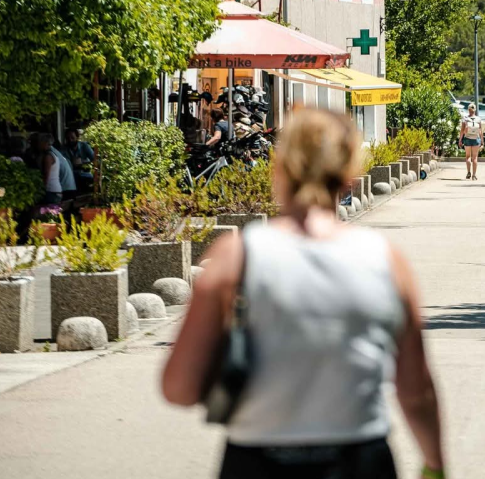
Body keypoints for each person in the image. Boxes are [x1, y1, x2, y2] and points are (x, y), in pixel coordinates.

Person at [161, 108, 445, 479]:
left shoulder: (235, 258)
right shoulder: (386, 260)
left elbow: (179, 388)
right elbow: (416, 389)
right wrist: (435, 465)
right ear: (350, 174)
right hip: (360, 459)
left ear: (280, 169)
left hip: (256, 460)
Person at [60, 127, 95, 192]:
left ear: (77, 137)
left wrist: (83, 161)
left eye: (72, 138)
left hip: (84, 172)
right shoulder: (64, 149)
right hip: (71, 174)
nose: (70, 140)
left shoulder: (84, 146)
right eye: (68, 138)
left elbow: (94, 159)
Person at [458, 103, 484, 180]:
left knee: (468, 156)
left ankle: (468, 172)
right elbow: (480, 131)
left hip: (467, 139)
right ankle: (474, 175)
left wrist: (460, 140)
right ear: (475, 110)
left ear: (468, 110)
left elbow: (462, 130)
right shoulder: (478, 119)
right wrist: (482, 141)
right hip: (476, 139)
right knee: (475, 158)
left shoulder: (465, 119)